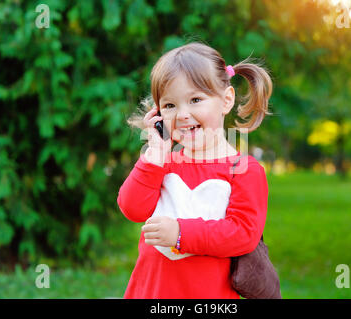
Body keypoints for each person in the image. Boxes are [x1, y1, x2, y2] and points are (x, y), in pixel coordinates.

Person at [117, 42, 273, 298]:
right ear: (157, 114)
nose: (182, 115)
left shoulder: (243, 170)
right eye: (169, 106)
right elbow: (132, 208)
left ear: (226, 100)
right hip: (151, 293)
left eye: (195, 100)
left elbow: (243, 234)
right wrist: (154, 154)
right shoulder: (161, 163)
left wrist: (180, 233)